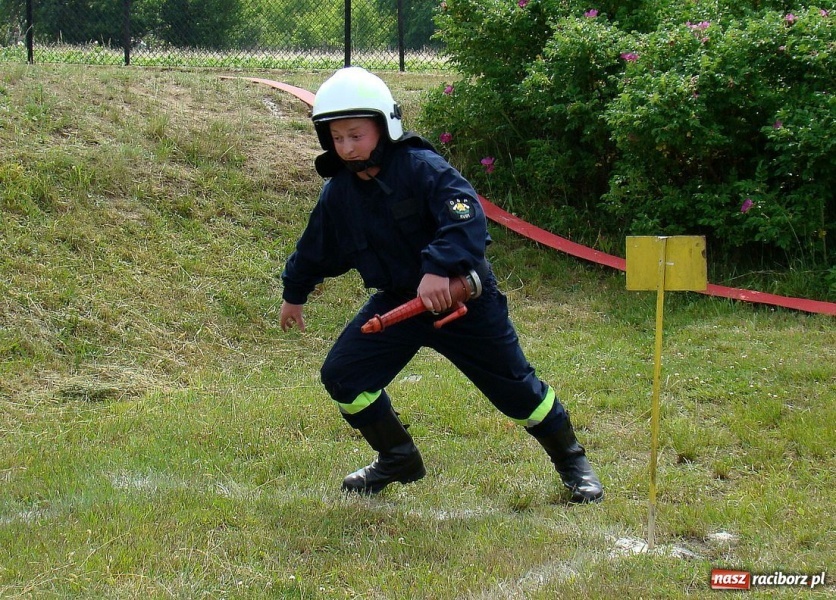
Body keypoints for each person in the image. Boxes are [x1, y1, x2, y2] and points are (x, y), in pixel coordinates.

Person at [279, 67, 603, 503]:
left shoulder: (422, 167)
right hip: (399, 305)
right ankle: (397, 457)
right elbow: (316, 246)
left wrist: (439, 268)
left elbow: (466, 217)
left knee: (517, 392)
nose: (347, 147)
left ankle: (573, 464)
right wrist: (294, 293)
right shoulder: (339, 192)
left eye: (356, 135)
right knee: (344, 376)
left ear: (384, 125)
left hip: (463, 301)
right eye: (337, 138)